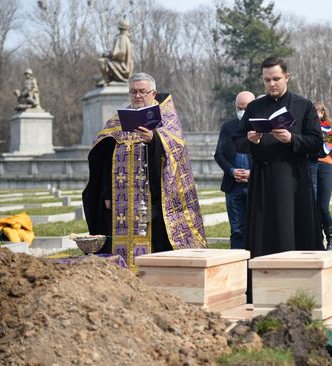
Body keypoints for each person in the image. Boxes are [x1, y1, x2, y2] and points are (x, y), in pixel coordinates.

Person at [82, 72, 206, 271]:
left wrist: (153, 140)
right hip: (121, 200)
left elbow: (176, 153)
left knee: (155, 242)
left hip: (154, 198)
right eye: (133, 92)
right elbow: (103, 159)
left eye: (142, 91)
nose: (137, 96)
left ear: (153, 93)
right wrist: (106, 193)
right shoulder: (117, 122)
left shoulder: (166, 120)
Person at [233, 56, 324, 261]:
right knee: (263, 230)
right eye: (267, 80)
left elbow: (317, 142)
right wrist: (251, 140)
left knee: (292, 227)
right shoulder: (254, 107)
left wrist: (292, 139)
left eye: (276, 78)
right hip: (263, 177)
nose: (272, 84)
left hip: (293, 176)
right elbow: (237, 141)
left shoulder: (303, 105)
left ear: (287, 77)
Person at [214, 91, 255, 249]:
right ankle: (238, 261)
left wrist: (253, 172)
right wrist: (231, 171)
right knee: (237, 229)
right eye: (239, 108)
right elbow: (219, 154)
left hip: (255, 183)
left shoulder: (261, 127)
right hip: (233, 185)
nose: (242, 112)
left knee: (256, 227)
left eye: (245, 108)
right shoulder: (228, 127)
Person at [309, 100, 332, 251]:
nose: (316, 114)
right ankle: (317, 240)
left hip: (326, 166)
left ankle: (331, 239)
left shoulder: (330, 127)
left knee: (323, 207)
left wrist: (327, 145)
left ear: (323, 113)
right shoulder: (308, 127)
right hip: (311, 165)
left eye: (318, 112)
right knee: (313, 206)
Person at [97, 19, 133, 85]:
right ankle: (105, 78)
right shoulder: (125, 37)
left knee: (101, 61)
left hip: (122, 66)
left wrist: (108, 54)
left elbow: (120, 53)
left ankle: (106, 79)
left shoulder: (122, 37)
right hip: (120, 63)